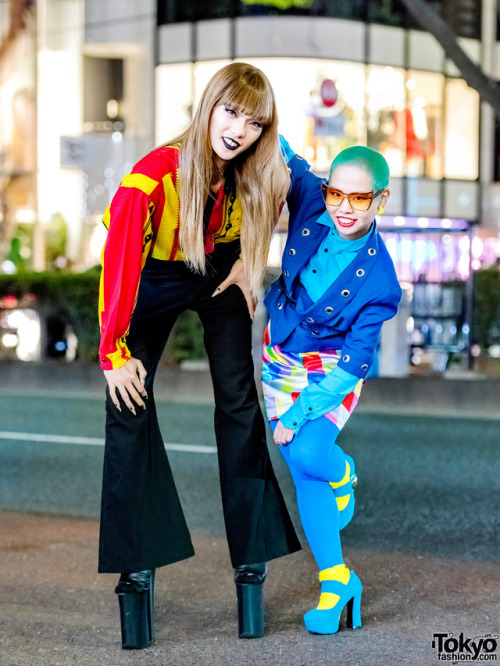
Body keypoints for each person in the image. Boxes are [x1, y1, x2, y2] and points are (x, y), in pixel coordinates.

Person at [97, 63, 301, 649]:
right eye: (231, 112)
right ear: (209, 105)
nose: (239, 129)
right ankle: (136, 572)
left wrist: (251, 259)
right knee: (127, 402)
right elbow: (120, 265)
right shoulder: (153, 177)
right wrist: (113, 351)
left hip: (221, 269)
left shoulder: (259, 167)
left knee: (240, 403)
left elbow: (300, 186)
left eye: (255, 121)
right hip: (154, 273)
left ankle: (251, 564)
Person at [262, 138, 402, 635]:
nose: (344, 207)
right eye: (336, 194)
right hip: (280, 352)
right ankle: (336, 579)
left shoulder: (381, 282)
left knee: (307, 455)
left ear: (380, 199)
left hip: (331, 369)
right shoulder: (306, 194)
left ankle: (342, 470)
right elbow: (282, 148)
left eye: (359, 199)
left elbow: (352, 368)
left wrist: (298, 415)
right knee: (303, 474)